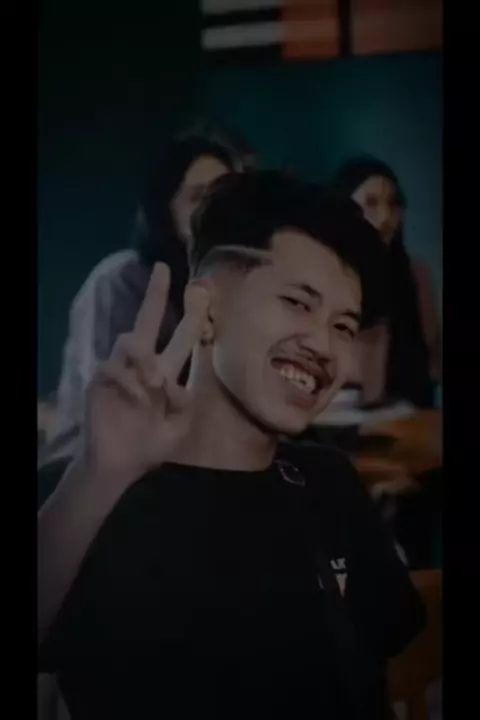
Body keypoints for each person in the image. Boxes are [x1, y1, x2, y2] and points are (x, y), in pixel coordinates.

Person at [38, 171, 425, 719]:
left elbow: (386, 656)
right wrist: (98, 475)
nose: (323, 345)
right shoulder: (84, 493)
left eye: (343, 326)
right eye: (297, 302)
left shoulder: (329, 482)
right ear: (207, 307)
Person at [49, 122, 253, 444]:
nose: (216, 210)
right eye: (198, 197)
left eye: (224, 196)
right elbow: (106, 401)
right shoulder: (118, 280)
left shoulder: (229, 285)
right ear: (165, 208)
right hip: (91, 454)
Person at [331, 156, 441, 409]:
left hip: (406, 411)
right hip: (336, 411)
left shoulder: (416, 275)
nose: (384, 218)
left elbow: (432, 356)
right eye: (371, 203)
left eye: (393, 204)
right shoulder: (325, 272)